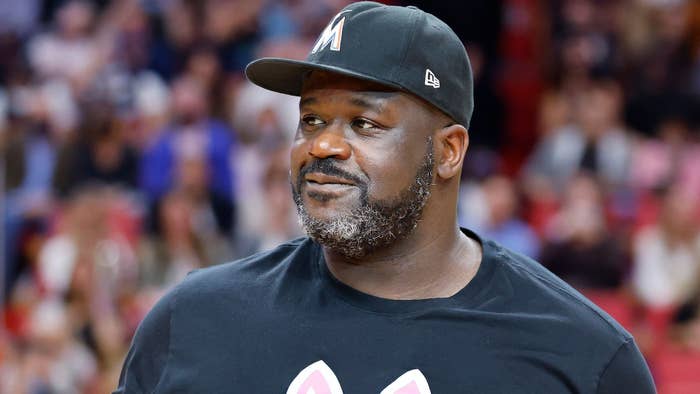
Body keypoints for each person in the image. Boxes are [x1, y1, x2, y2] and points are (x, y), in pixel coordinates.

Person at [114, 2, 655, 393]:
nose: (323, 144)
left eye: (364, 122)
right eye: (311, 119)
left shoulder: (582, 359)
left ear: (448, 151)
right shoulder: (193, 320)